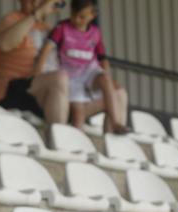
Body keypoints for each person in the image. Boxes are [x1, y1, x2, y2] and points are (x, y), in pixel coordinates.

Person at [34, 0, 129, 133]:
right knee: (78, 114)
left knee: (106, 81)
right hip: (71, 75)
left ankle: (116, 122)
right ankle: (75, 141)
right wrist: (38, 73)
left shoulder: (95, 33)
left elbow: (102, 57)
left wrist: (106, 72)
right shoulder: (62, 28)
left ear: (93, 15)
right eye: (74, 15)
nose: (77, 19)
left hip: (89, 71)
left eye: (82, 17)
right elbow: (47, 48)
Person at [0, 0, 70, 124]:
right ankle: (59, 140)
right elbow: (4, 44)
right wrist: (36, 14)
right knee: (59, 78)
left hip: (42, 91)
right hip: (13, 90)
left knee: (109, 91)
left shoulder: (48, 29)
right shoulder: (11, 19)